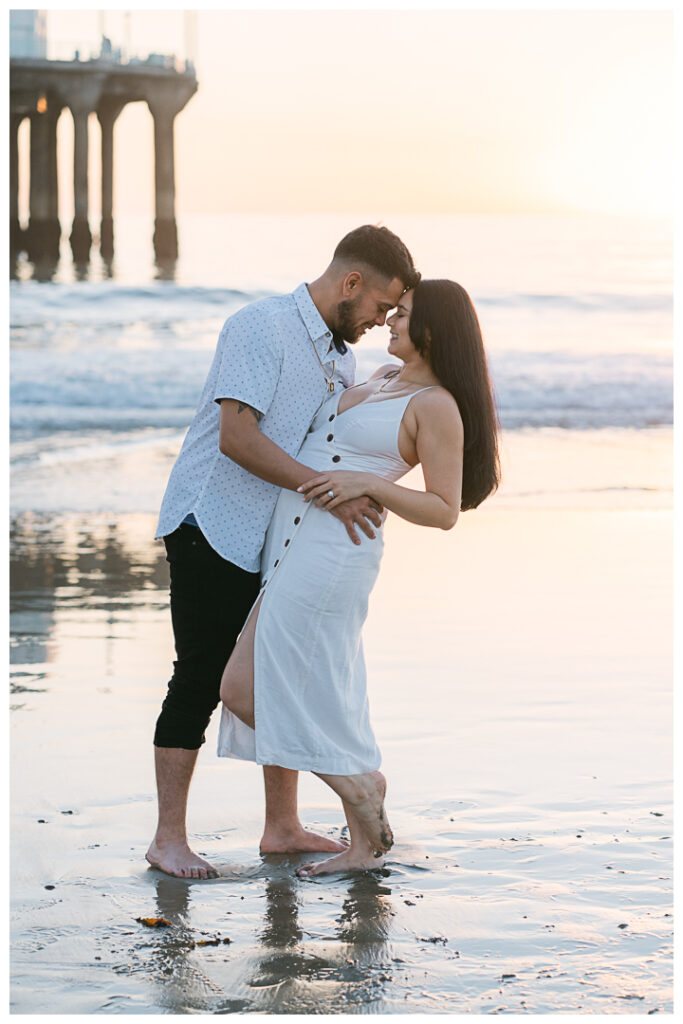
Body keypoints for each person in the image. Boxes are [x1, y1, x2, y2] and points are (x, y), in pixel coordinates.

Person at [147, 225, 420, 879]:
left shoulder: (340, 357)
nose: (382, 320)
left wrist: (362, 488)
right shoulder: (259, 326)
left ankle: (282, 825)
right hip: (210, 521)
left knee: (276, 668)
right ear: (351, 283)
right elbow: (237, 439)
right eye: (381, 306)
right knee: (201, 678)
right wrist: (329, 493)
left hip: (276, 531)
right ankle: (168, 839)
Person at [218, 278, 501, 876]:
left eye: (402, 315)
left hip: (334, 555)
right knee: (308, 687)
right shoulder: (378, 379)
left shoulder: (436, 405)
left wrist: (372, 484)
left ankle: (356, 793)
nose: (390, 321)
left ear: (433, 330)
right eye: (392, 311)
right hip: (289, 543)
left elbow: (445, 510)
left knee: (244, 688)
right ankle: (359, 820)